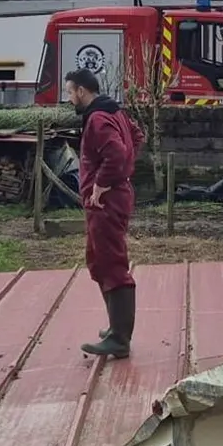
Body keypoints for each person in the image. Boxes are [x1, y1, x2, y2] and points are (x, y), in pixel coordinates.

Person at [65, 69, 143, 359]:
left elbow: (117, 154)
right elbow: (136, 136)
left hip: (106, 200)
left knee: (111, 262)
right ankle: (115, 327)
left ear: (82, 91)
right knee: (98, 260)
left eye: (70, 92)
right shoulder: (114, 112)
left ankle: (120, 338)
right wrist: (123, 172)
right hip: (113, 196)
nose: (69, 98)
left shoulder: (98, 119)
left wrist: (102, 184)